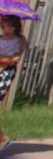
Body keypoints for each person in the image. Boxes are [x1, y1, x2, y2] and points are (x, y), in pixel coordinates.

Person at [0, 15, 28, 151]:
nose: (6, 29)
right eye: (4, 26)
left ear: (15, 26)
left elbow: (17, 58)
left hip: (7, 72)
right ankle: (2, 139)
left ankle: (3, 139)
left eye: (9, 26)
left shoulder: (20, 39)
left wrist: (6, 60)